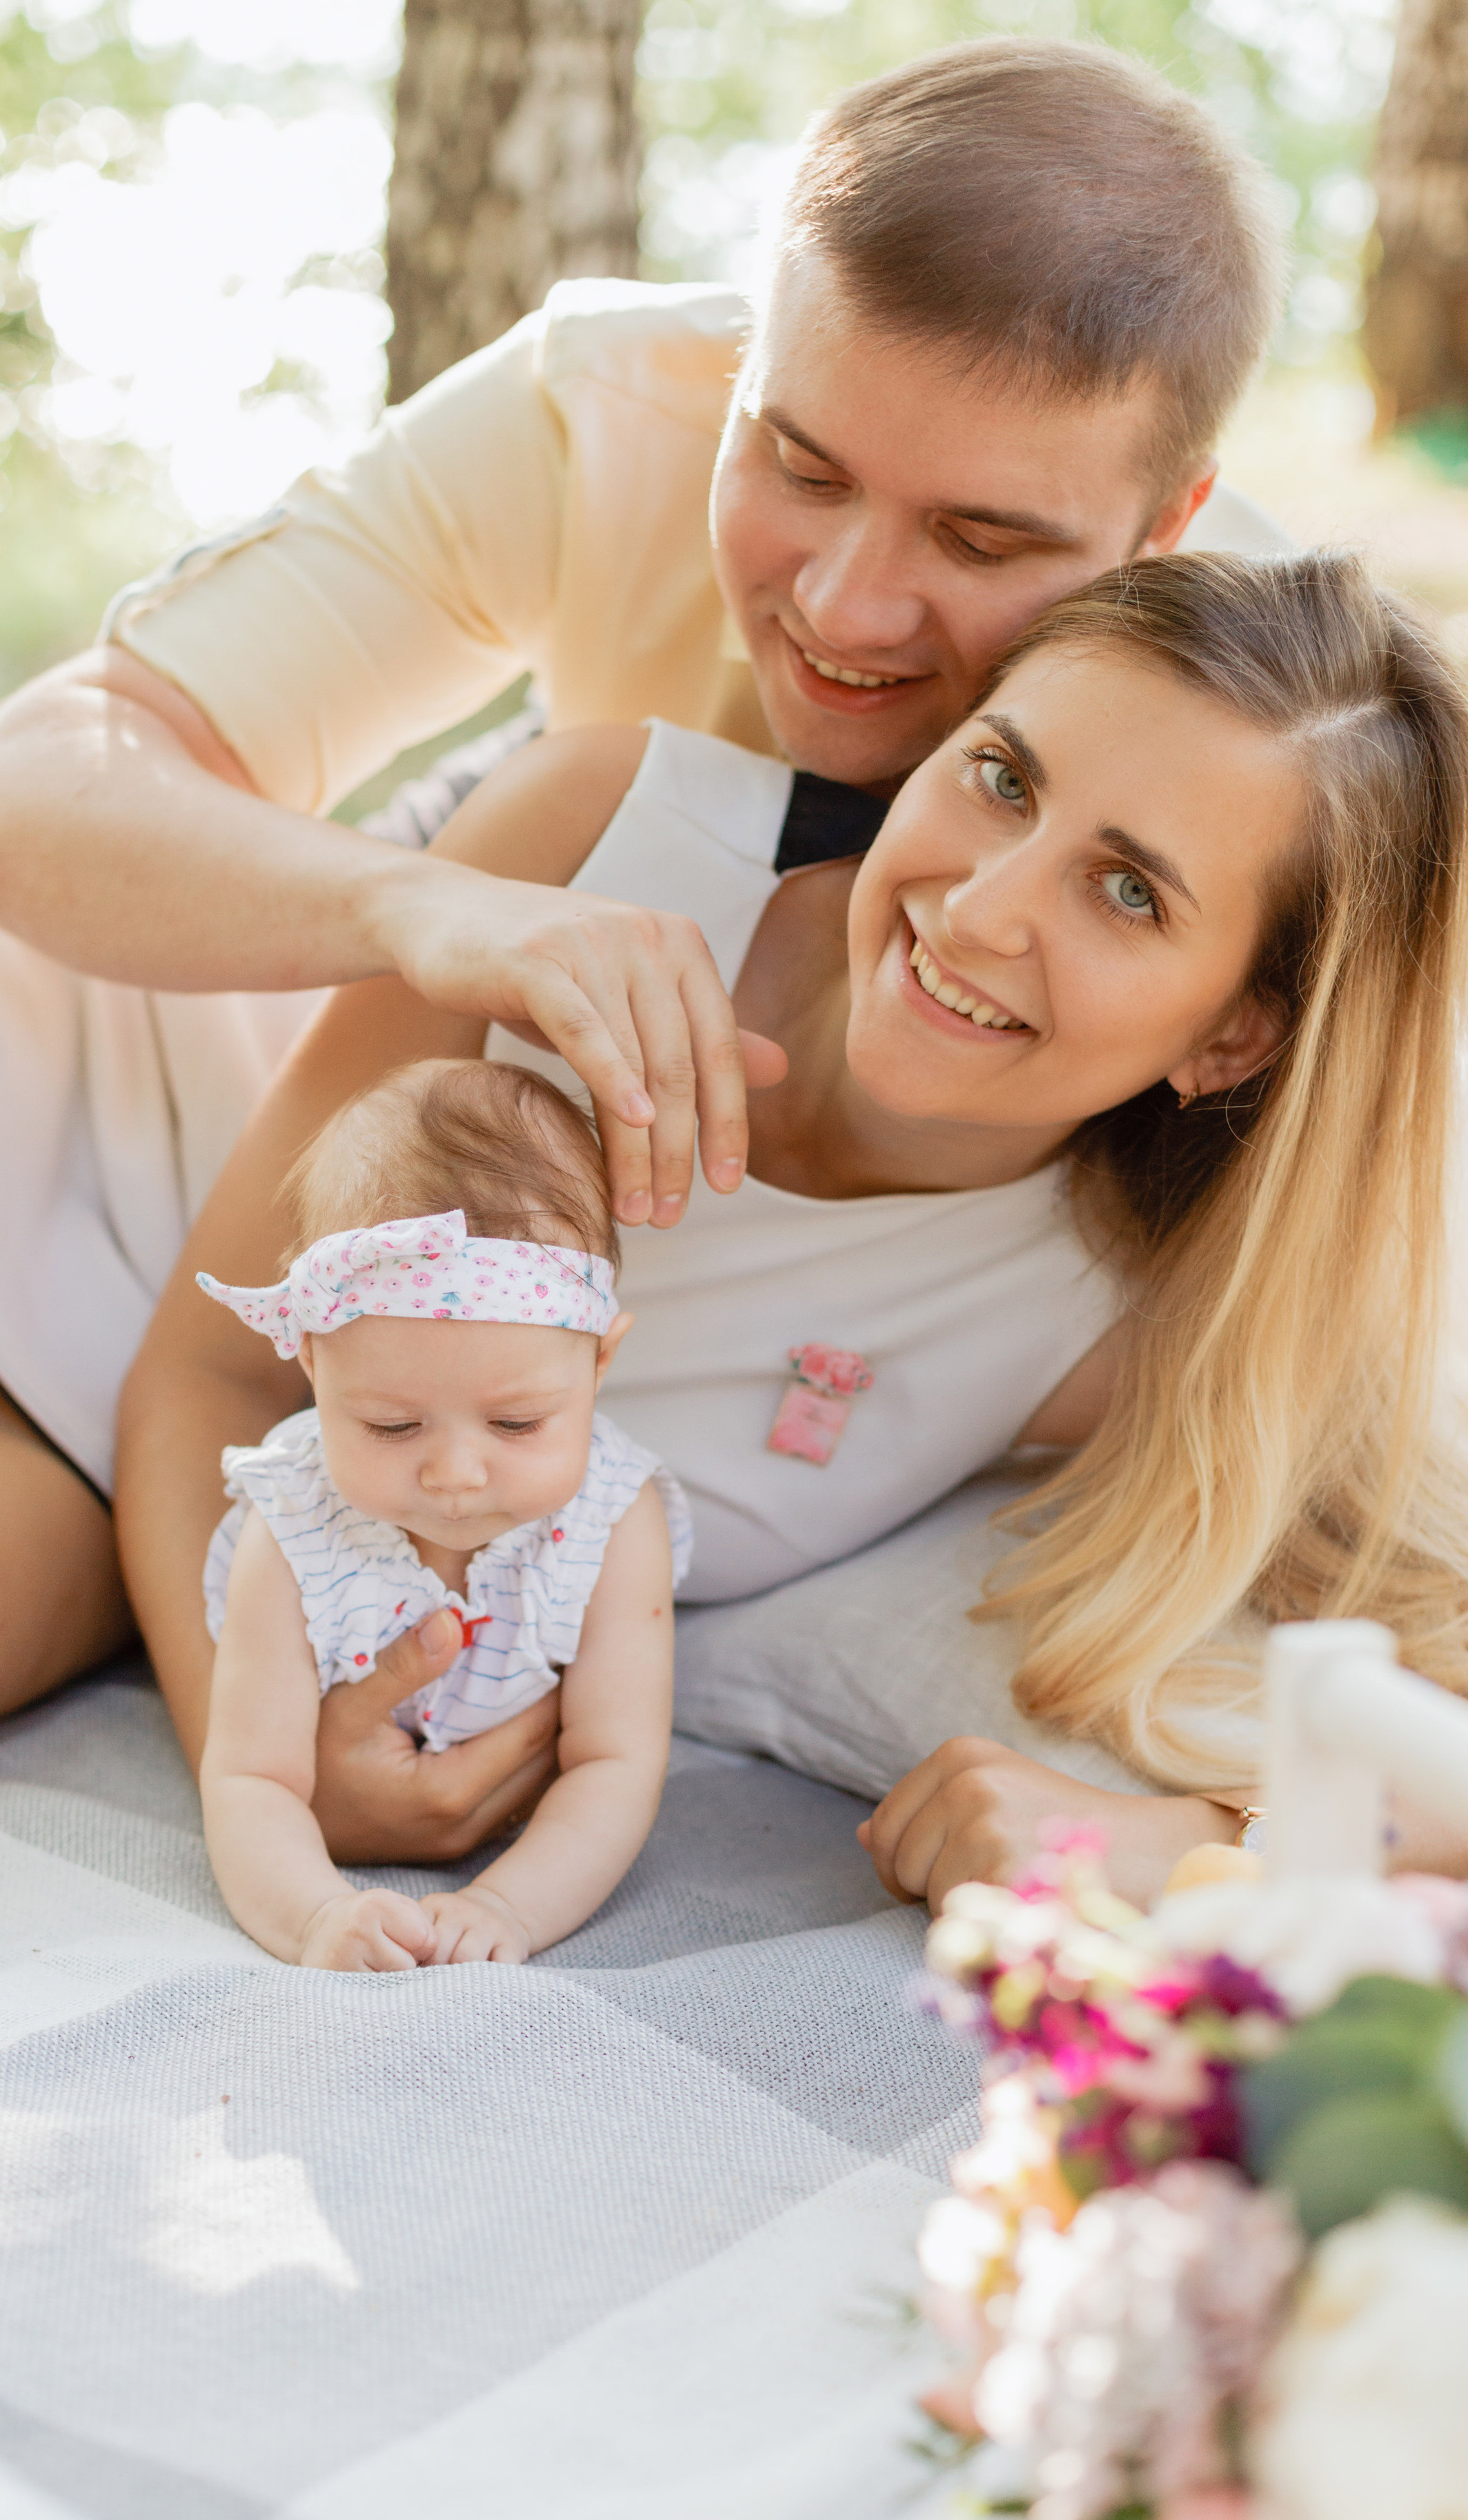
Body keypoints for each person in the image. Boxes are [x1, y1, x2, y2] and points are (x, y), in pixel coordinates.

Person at [0, 37, 1284, 1799]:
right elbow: (15, 802)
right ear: (740, 364)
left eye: (983, 542)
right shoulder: (602, 403)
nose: (846, 600)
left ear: (1168, 527)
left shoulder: (1234, 755)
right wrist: (432, 911)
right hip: (58, 1072)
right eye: (799, 462)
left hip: (308, 1395)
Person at [122, 550, 1468, 1914]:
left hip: (94, 1508)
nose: (981, 909)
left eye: (1127, 893)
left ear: (1234, 1032)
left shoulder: (1126, 1313)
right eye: (1002, 778)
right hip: (94, 1092)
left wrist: (1183, 1840)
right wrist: (269, 1771)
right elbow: (215, 1368)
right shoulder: (607, 843)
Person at [196, 1058, 688, 1969]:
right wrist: (313, 1918)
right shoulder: (294, 1523)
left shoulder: (615, 1519)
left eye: (517, 1422)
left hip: (523, 1848)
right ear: (313, 1367)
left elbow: (615, 1764)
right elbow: (251, 1774)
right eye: (391, 1424)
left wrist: (510, 1906)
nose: (457, 1473)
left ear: (598, 1365)